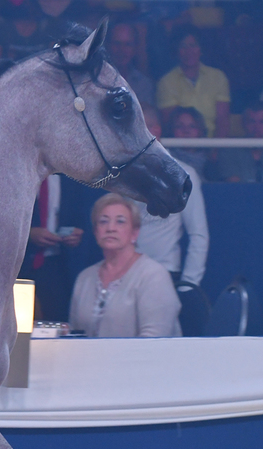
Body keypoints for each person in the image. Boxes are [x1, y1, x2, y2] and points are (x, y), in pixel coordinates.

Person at [69, 193, 181, 338]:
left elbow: (155, 342)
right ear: (96, 232)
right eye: (103, 221)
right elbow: (75, 336)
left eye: (120, 222)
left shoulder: (153, 275)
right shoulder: (85, 278)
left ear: (135, 232)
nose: (111, 228)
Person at [134, 106, 208, 287]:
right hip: (125, 271)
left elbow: (199, 235)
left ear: (156, 130)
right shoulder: (121, 175)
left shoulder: (183, 174)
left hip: (164, 272)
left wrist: (189, 285)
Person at [20, 174, 84, 322]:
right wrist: (29, 234)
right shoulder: (21, 177)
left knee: (56, 322)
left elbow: (78, 220)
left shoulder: (72, 181)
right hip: (20, 264)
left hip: (56, 267)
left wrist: (75, 236)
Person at [156, 27, 230, 138]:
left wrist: (215, 151)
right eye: (183, 46)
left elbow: (223, 122)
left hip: (213, 147)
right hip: (180, 148)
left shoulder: (218, 77)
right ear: (176, 50)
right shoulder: (166, 82)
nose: (189, 51)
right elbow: (170, 125)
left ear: (201, 49)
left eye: (193, 45)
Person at [106, 21, 154, 109]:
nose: (122, 50)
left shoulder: (143, 84)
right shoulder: (94, 80)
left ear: (135, 48)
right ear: (108, 46)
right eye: (117, 44)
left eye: (127, 44)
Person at [217, 102, 263, 183]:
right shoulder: (229, 150)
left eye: (262, 122)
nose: (257, 127)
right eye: (252, 121)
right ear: (243, 123)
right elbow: (235, 186)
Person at [165, 105, 208, 179]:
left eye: (192, 126)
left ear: (200, 131)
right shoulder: (165, 160)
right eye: (179, 126)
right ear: (172, 130)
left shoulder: (211, 162)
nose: (186, 131)